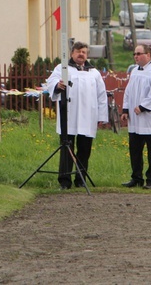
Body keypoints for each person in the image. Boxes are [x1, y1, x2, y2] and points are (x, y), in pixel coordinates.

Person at [46, 41, 108, 189]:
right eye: (78, 51)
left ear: (87, 55)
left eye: (84, 52)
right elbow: (52, 81)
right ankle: (65, 181)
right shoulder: (63, 68)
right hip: (69, 115)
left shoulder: (94, 73)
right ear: (72, 53)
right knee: (66, 148)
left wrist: (102, 117)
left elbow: (101, 95)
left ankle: (81, 180)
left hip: (88, 116)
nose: (81, 54)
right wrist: (57, 86)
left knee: (84, 150)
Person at [120, 44, 151, 190]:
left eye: (139, 53)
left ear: (148, 55)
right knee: (135, 150)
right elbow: (128, 91)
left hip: (150, 119)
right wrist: (125, 109)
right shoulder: (135, 71)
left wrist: (143, 107)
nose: (135, 56)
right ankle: (136, 177)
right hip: (135, 119)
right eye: (134, 54)